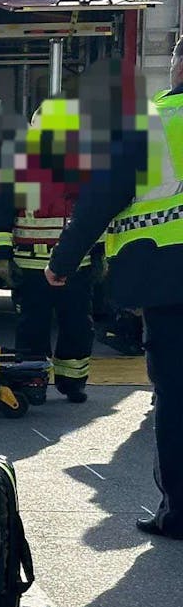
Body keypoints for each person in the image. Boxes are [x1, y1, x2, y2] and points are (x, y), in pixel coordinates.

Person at [46, 39, 183, 539]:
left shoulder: (153, 124)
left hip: (167, 280)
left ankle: (178, 511)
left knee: (175, 396)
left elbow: (100, 201)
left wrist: (62, 262)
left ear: (178, 66)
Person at [0, 97, 96, 404]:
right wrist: (1, 257)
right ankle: (31, 380)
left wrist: (101, 255)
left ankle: (72, 381)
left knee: (77, 325)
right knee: (32, 327)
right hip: (31, 265)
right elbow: (1, 215)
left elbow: (96, 216)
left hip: (76, 265)